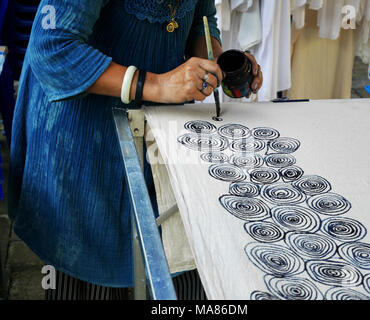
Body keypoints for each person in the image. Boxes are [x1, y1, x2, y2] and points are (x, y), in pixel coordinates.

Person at [8, 0, 263, 300]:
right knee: (91, 271)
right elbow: (52, 49)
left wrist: (219, 64)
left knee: (179, 263)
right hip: (81, 136)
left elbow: (201, 21)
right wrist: (156, 85)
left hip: (157, 130)